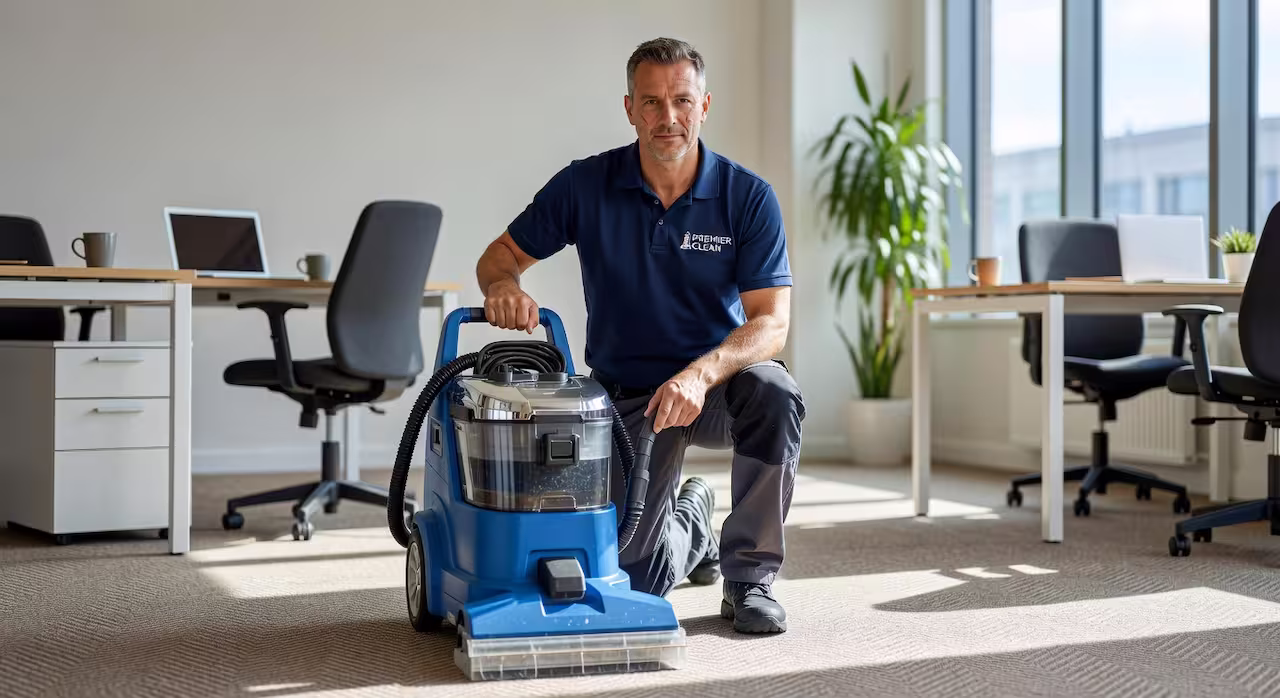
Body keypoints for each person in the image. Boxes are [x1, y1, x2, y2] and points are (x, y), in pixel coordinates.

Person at [474, 37, 805, 634]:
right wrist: (504, 287)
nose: (668, 117)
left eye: (682, 100)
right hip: (627, 393)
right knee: (637, 573)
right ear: (629, 108)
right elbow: (500, 255)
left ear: (705, 105)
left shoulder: (746, 196)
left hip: (714, 388)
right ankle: (693, 520)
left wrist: (701, 374)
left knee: (774, 391)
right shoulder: (585, 185)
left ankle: (750, 578)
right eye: (651, 103)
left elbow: (770, 323)